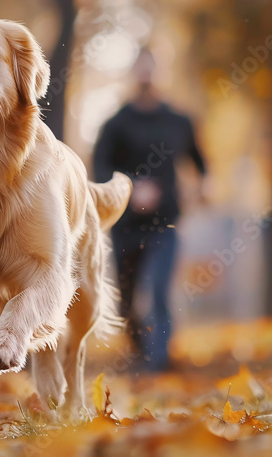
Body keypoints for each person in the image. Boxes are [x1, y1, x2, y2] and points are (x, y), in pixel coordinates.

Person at [93, 48, 206, 371]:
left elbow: (198, 160)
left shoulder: (179, 121)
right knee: (126, 303)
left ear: (162, 73)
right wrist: (131, 187)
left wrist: (206, 182)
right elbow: (100, 169)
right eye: (141, 69)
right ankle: (142, 351)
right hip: (125, 226)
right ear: (133, 74)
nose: (147, 75)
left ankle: (159, 363)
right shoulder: (116, 123)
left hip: (166, 224)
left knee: (157, 290)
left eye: (152, 69)